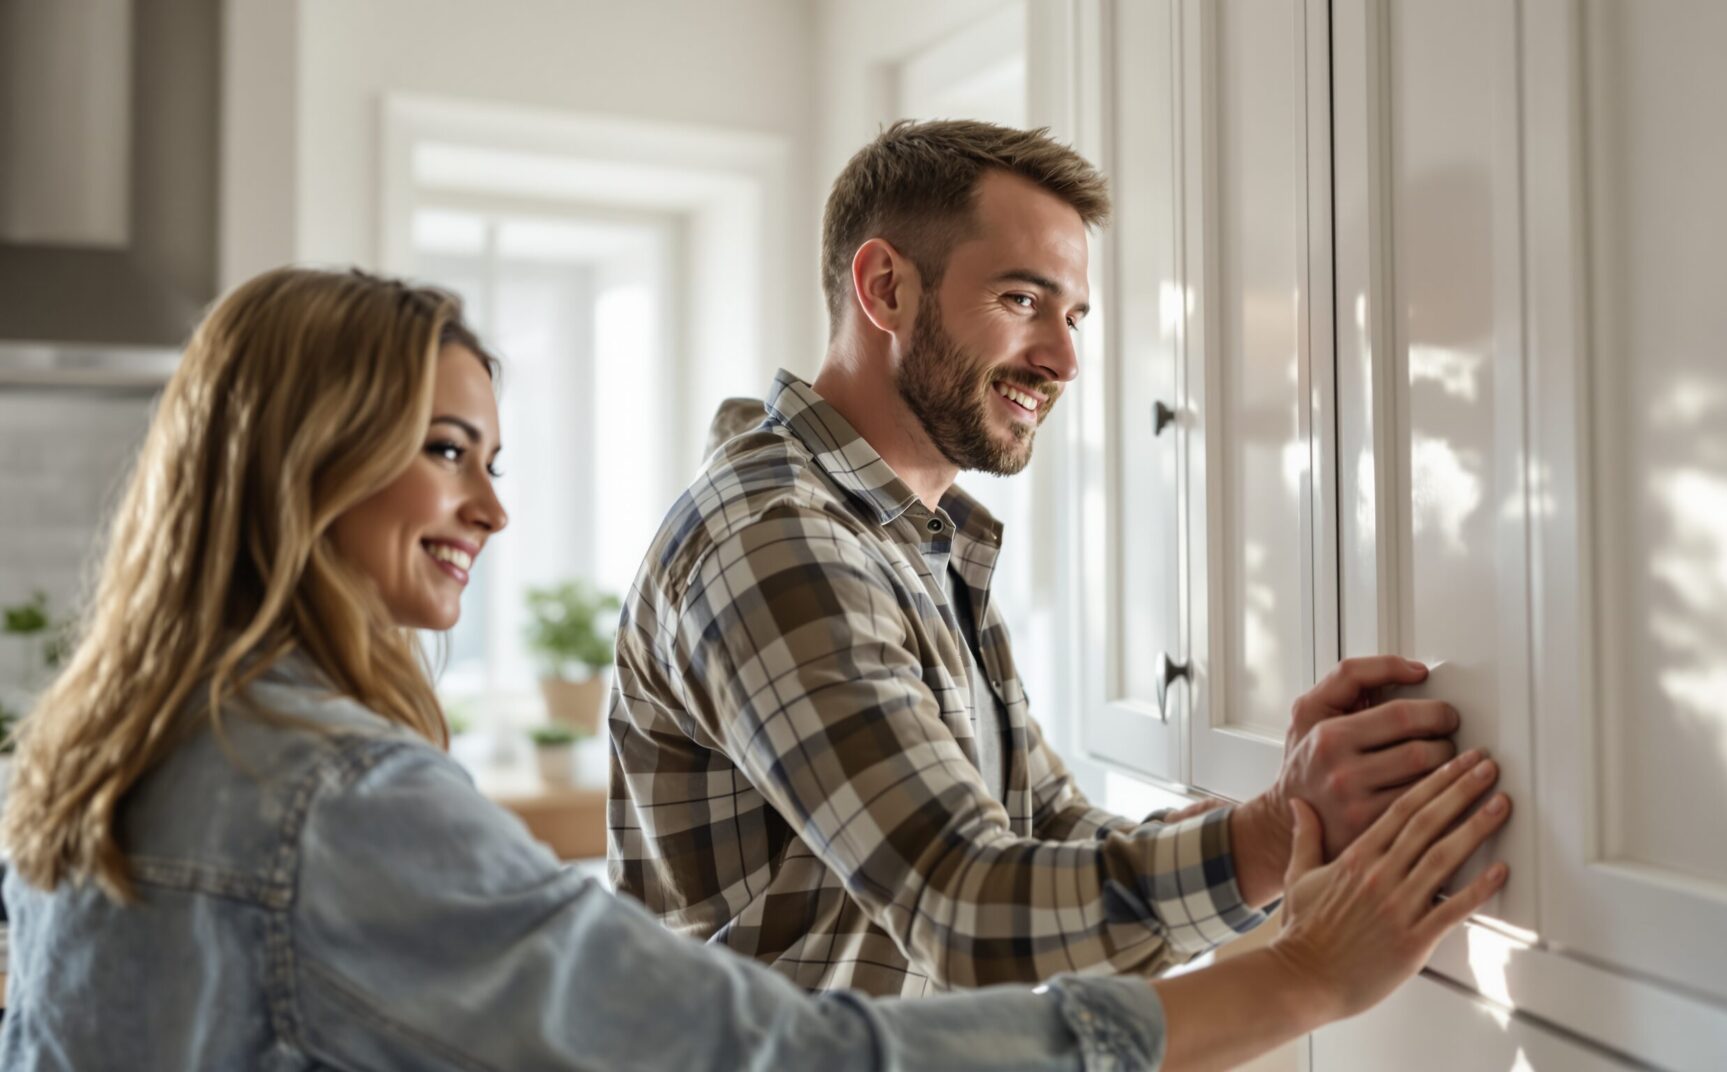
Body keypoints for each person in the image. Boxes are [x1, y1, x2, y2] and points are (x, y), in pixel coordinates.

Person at [0, 266, 1507, 1071]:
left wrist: (1278, 832)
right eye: (443, 448)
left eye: (1079, 309)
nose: (493, 507)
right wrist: (1297, 972)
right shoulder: (336, 798)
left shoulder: (114, 756)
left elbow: (1042, 838)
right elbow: (816, 1030)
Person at [610, 120, 1471, 996]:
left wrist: (1286, 815)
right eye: (1023, 301)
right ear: (884, 288)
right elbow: (967, 907)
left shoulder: (914, 540)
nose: (1063, 358)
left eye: (1074, 315)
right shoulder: (778, 543)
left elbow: (1047, 834)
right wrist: (1274, 835)